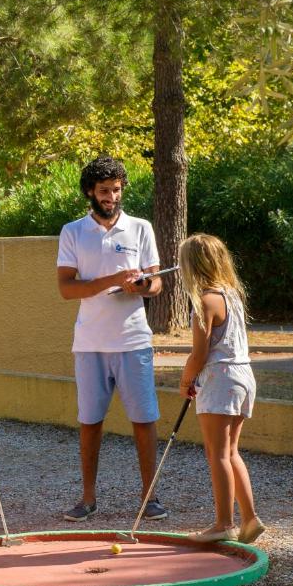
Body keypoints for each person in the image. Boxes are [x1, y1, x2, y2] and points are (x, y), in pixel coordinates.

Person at [56, 155, 168, 523]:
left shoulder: (141, 228)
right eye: (105, 191)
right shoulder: (73, 231)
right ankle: (87, 499)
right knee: (90, 421)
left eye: (117, 190)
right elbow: (66, 289)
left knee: (144, 419)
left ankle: (149, 498)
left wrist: (142, 285)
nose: (112, 197)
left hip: (134, 340)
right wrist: (112, 280)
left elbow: (157, 283)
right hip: (89, 343)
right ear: (90, 191)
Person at [178, 233, 265, 544]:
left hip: (219, 379)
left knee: (217, 454)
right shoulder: (231, 296)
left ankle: (223, 523)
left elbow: (199, 354)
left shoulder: (204, 302)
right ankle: (250, 519)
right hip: (243, 376)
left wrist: (186, 380)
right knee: (230, 451)